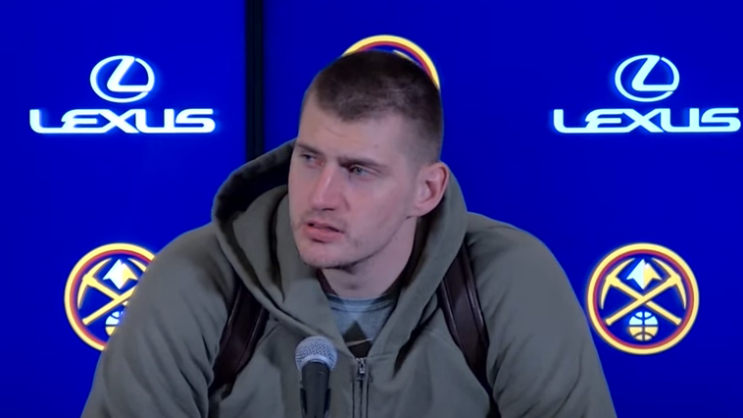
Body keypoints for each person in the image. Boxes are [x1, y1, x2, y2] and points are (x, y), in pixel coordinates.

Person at [80, 50, 616, 418]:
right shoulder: (195, 280)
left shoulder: (508, 279)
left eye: (359, 170)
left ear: (426, 190)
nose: (321, 195)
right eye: (309, 159)